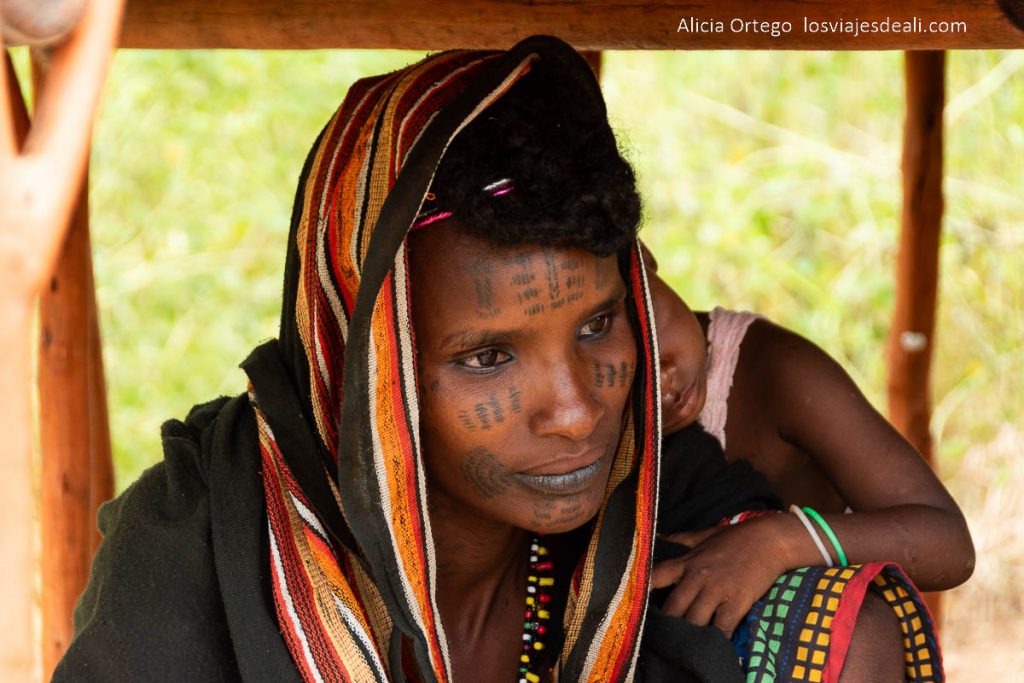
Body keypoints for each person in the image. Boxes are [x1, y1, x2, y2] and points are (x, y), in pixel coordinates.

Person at [54, 36, 943, 682]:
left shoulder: (654, 509)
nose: (574, 410)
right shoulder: (197, 550)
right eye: (487, 357)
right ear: (365, 366)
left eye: (598, 325)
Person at [645, 244, 974, 643]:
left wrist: (778, 543)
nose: (659, 379)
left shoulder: (772, 370)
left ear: (644, 257)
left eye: (652, 324)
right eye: (625, 367)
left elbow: (948, 541)